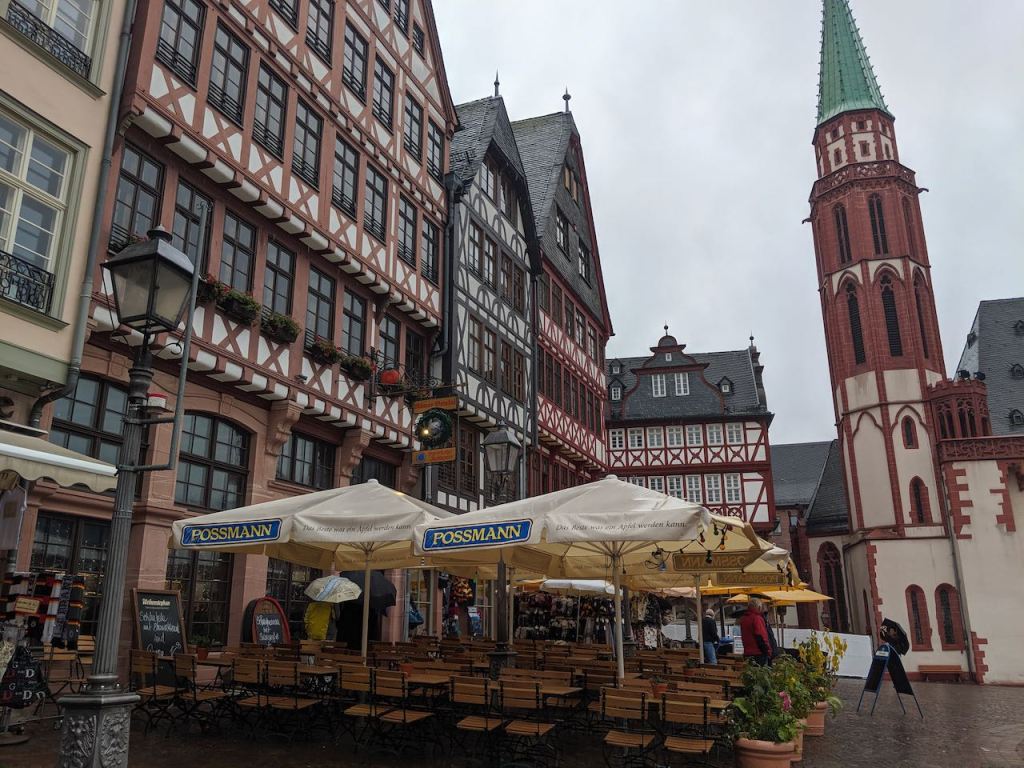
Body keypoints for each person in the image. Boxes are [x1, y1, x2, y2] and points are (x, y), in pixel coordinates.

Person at [738, 598, 772, 666]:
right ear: (759, 607)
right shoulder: (757, 618)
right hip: (758, 653)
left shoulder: (743, 619)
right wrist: (767, 651)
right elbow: (761, 636)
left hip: (747, 652)